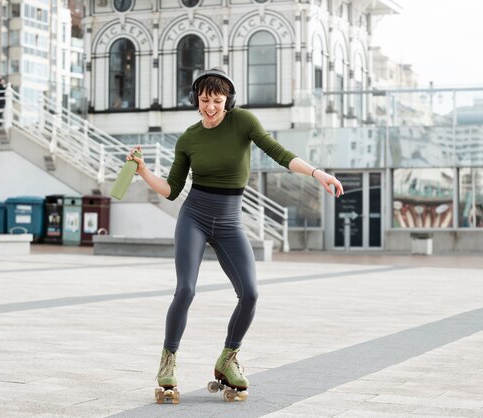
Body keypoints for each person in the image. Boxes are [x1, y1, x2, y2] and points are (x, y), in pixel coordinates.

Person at [127, 67, 344, 402]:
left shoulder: (243, 122)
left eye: (217, 99)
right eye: (204, 100)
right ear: (196, 101)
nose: (211, 106)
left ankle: (228, 359)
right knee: (185, 289)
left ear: (228, 100)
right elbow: (171, 190)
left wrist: (317, 173)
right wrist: (142, 171)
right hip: (194, 218)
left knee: (251, 294)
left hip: (229, 223)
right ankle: (168, 361)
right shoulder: (188, 138)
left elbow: (279, 153)